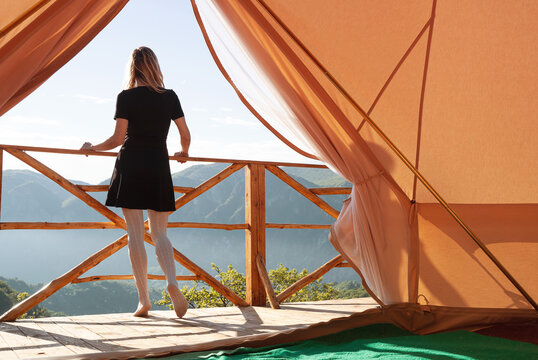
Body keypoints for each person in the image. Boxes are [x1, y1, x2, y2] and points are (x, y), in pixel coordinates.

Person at [81, 46, 191, 318]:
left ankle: (144, 301)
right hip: (158, 163)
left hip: (131, 164)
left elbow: (117, 140)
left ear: (133, 68)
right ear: (154, 65)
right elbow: (185, 134)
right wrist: (184, 153)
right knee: (160, 233)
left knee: (135, 234)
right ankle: (172, 283)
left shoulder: (126, 96)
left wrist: (93, 147)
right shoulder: (170, 96)